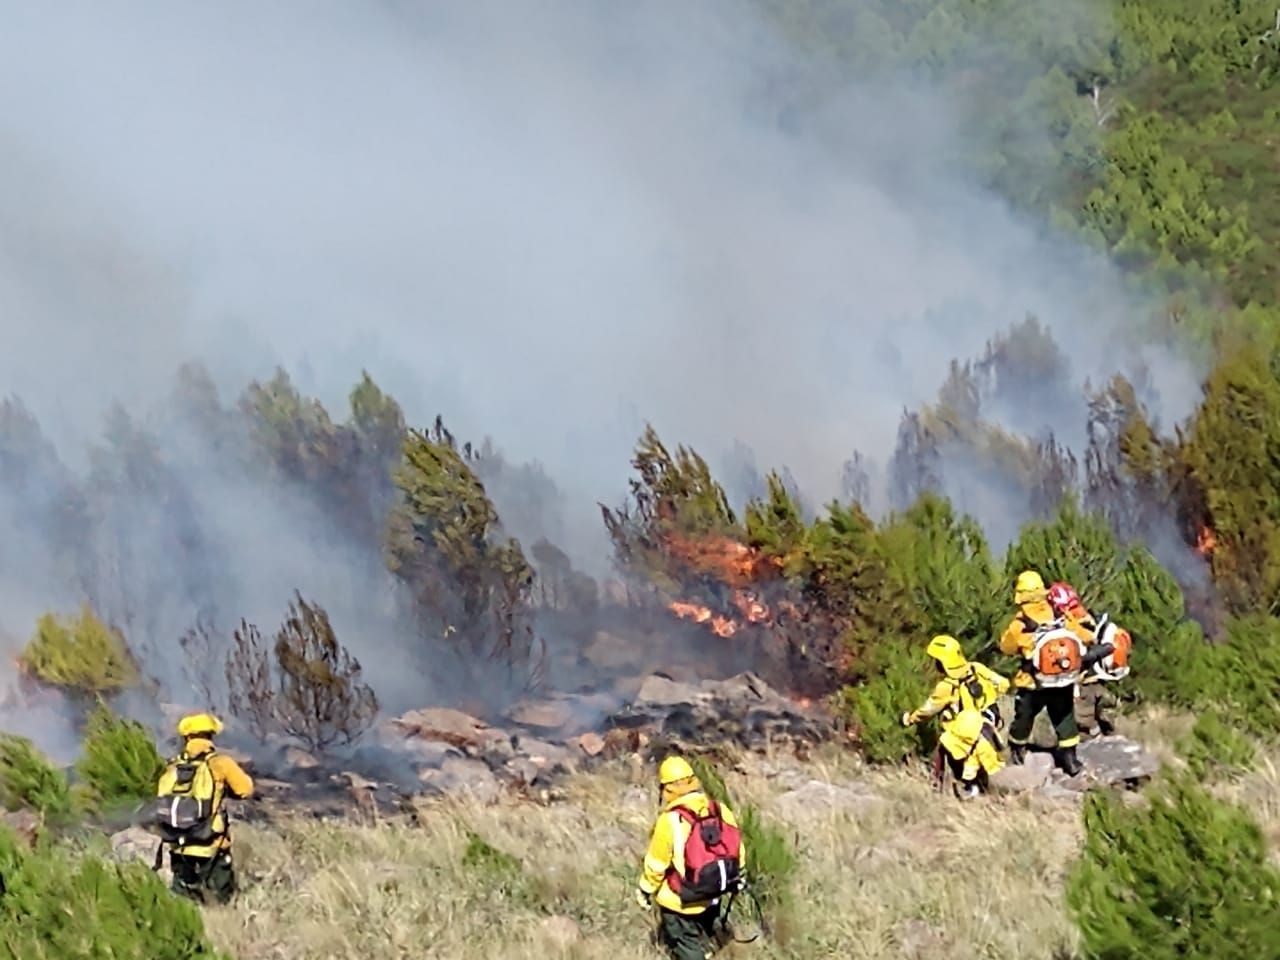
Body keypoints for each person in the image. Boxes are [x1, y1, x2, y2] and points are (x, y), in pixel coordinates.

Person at [636, 756, 746, 960]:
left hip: (681, 901)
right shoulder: (720, 810)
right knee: (706, 939)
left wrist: (645, 890)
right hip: (713, 893)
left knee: (686, 946)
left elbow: (657, 864)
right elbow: (737, 850)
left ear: (666, 788)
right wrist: (737, 877)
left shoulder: (670, 820)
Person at [998, 571, 1093, 776]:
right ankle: (1070, 760)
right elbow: (1085, 636)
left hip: (1033, 682)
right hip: (1063, 680)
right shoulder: (1060, 614)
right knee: (1064, 717)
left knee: (1024, 717)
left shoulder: (1020, 623)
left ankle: (1018, 752)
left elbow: (1006, 646)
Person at [155, 713, 254, 904]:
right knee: (219, 901)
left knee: (183, 901)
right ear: (210, 735)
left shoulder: (172, 766)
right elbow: (245, 789)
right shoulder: (220, 763)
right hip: (212, 845)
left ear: (186, 738)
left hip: (179, 845)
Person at [902, 634, 1011, 798]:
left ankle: (937, 785)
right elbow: (1003, 683)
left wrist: (909, 719)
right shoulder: (976, 668)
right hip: (990, 722)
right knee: (977, 758)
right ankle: (980, 787)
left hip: (969, 729)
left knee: (943, 746)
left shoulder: (947, 686)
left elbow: (928, 710)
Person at [1047, 582, 1131, 739]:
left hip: (1088, 681)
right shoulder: (1077, 620)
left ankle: (1100, 742)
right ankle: (1103, 741)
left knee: (1090, 718)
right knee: (1095, 719)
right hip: (1090, 680)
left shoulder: (1073, 622)